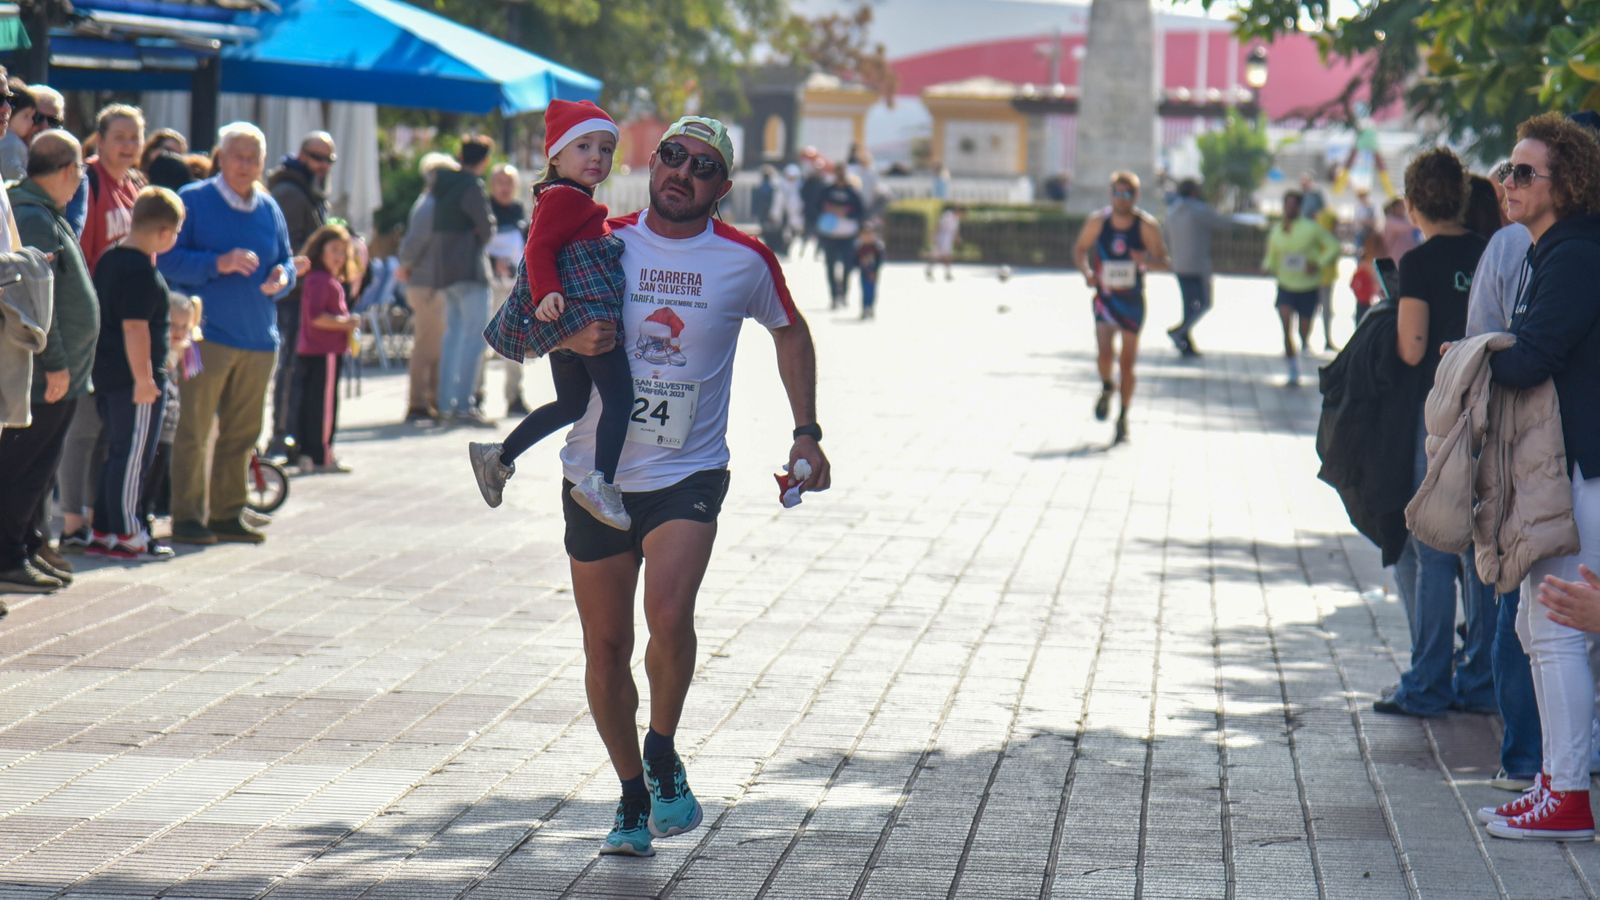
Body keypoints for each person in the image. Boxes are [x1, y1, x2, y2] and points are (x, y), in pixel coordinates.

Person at [532, 114, 828, 857]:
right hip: (594, 474)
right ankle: (633, 795)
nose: (681, 172)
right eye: (671, 156)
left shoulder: (745, 261)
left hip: (687, 472)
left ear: (721, 186)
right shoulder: (602, 240)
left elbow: (789, 330)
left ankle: (661, 746)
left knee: (669, 615)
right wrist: (564, 337)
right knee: (605, 645)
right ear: (653, 161)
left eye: (701, 165)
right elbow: (526, 319)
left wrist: (806, 433)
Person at [1479, 113, 1600, 841]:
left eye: (1524, 172)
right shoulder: (1550, 251)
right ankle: (1556, 782)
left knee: (1557, 626)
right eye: (1506, 169)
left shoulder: (1578, 254)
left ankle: (1569, 797)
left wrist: (1474, 358)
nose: (1507, 182)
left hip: (1585, 468)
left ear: (1569, 183)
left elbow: (1533, 356)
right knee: (1540, 623)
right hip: (1570, 467)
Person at [1371, 148, 1491, 721]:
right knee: (1483, 548)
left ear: (1414, 203)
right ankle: (1482, 673)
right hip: (1492, 408)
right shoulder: (1492, 249)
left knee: (1436, 545)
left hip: (1438, 414)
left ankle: (1428, 681)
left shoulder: (1418, 263)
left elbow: (1412, 347)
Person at [472, 100, 632, 528]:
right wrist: (547, 293)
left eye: (605, 148)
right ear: (556, 156)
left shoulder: (568, 197)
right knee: (620, 398)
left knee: (572, 403)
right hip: (584, 314)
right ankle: (602, 483)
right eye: (583, 147)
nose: (596, 156)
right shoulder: (565, 198)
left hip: (567, 314)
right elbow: (538, 248)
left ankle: (499, 456)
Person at [157, 121, 295, 546]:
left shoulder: (269, 207)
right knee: (195, 431)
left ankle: (228, 512)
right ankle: (188, 517)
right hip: (206, 335)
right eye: (238, 155)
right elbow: (166, 258)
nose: (246, 164)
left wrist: (282, 277)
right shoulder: (194, 201)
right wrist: (217, 262)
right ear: (221, 156)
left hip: (258, 336)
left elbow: (288, 261)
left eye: (254, 158)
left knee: (242, 433)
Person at [0, 132, 95, 593]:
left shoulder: (45, 211)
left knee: (40, 468)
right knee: (24, 467)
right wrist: (56, 362)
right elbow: (40, 303)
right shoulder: (34, 215)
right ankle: (8, 555)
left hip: (62, 374)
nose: (81, 181)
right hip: (45, 375)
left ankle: (27, 545)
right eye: (79, 170)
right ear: (64, 170)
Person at [85, 187, 185, 560]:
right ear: (163, 232)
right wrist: (145, 379)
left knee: (117, 451)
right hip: (133, 379)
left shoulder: (110, 259)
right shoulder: (141, 269)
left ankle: (104, 528)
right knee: (134, 455)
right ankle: (128, 530)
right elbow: (135, 328)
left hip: (108, 374)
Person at [1073, 171, 1169, 444]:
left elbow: (1164, 261)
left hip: (1132, 301)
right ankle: (1106, 386)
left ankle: (1124, 416)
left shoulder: (1146, 226)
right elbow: (1080, 249)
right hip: (1105, 298)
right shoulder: (1098, 222)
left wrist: (1145, 260)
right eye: (1117, 193)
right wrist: (1087, 272)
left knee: (1127, 364)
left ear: (1135, 197)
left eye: (1127, 194)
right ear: (1111, 194)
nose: (1121, 198)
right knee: (1104, 353)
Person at [265, 131, 336, 461]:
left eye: (328, 160)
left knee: (300, 371)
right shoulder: (291, 192)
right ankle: (281, 438)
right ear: (301, 154)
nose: (322, 165)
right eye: (316, 157)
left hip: (304, 295)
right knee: (291, 370)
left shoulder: (307, 190)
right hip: (293, 296)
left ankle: (296, 440)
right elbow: (287, 248)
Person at [431, 134, 497, 427]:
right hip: (470, 269)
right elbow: (487, 228)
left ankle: (446, 404)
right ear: (483, 160)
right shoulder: (472, 185)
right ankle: (464, 405)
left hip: (446, 271)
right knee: (473, 341)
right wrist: (480, 231)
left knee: (453, 338)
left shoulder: (442, 184)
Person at [293, 225, 361, 475]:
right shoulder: (323, 280)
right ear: (320, 251)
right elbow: (316, 317)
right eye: (334, 250)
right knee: (323, 406)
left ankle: (308, 453)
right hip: (325, 350)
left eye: (344, 251)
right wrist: (347, 323)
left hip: (315, 350)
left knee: (310, 403)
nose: (340, 256)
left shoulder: (318, 279)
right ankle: (322, 454)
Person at [396, 152, 459, 424]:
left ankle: (432, 400)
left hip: (431, 281)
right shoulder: (431, 204)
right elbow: (414, 242)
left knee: (434, 344)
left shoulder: (433, 203)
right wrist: (406, 264)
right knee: (426, 345)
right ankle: (418, 403)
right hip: (427, 283)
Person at [1262, 191, 1340, 387]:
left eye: (1293, 205)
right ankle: (1292, 366)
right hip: (1286, 286)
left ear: (1299, 207)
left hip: (1307, 286)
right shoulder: (1277, 230)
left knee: (1303, 329)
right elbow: (1271, 256)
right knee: (1285, 321)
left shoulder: (1312, 229)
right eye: (1286, 205)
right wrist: (1267, 267)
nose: (1289, 209)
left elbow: (1333, 247)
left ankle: (1303, 342)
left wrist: (1318, 263)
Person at [141, 292, 199, 539]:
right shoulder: (158, 353)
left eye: (184, 326)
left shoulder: (183, 352)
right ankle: (141, 520)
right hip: (154, 425)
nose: (178, 331)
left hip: (168, 428)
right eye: (172, 325)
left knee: (157, 476)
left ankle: (148, 517)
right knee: (147, 474)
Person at [486, 163, 530, 416]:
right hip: (488, 286)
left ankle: (514, 397)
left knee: (515, 345)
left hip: (514, 287)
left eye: (509, 183)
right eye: (500, 182)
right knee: (482, 345)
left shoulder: (518, 212)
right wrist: (494, 263)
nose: (504, 188)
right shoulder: (485, 210)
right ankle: (476, 394)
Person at [1163, 179, 1225, 357]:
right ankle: (1180, 331)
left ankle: (1186, 342)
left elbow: (1165, 236)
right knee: (1204, 303)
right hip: (1198, 265)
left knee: (1188, 305)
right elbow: (1221, 222)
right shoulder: (1199, 209)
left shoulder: (1171, 211)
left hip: (1179, 264)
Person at [816, 165, 864, 309]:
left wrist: (845, 213)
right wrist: (829, 210)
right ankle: (833, 296)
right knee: (830, 266)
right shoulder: (827, 191)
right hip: (829, 234)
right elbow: (817, 206)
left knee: (847, 266)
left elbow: (861, 212)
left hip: (848, 234)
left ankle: (844, 293)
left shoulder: (852, 192)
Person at [0, 81, 36, 181]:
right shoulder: (12, 142)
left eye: (9, 100)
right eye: (26, 115)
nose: (31, 122)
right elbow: (13, 174)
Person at [1349, 230, 1385, 325]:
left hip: (1374, 302)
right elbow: (1354, 283)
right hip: (1365, 302)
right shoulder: (1364, 265)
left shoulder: (1377, 264)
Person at [856, 221, 885, 321]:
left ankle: (871, 307)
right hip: (864, 273)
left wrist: (875, 270)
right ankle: (864, 308)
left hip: (873, 273)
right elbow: (855, 260)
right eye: (865, 234)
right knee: (864, 291)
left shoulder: (877, 248)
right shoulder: (860, 247)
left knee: (872, 291)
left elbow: (880, 261)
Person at [1383, 196, 1421, 262]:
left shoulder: (1405, 219)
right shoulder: (1391, 220)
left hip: (1408, 257)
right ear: (1394, 208)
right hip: (1395, 258)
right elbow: (1408, 226)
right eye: (1399, 206)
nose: (1402, 208)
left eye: (1403, 206)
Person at [927, 204, 958, 282]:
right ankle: (932, 271)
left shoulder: (956, 219)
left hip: (947, 240)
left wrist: (956, 238)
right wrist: (933, 235)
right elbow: (939, 225)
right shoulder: (947, 216)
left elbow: (953, 230)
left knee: (946, 257)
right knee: (941, 256)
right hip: (941, 238)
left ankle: (945, 273)